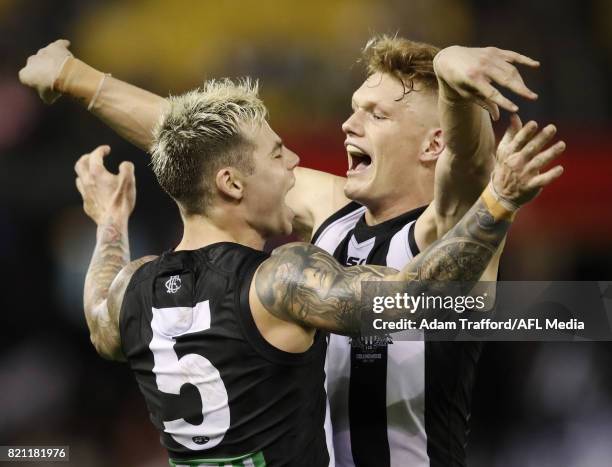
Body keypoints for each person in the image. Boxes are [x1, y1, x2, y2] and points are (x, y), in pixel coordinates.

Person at [21, 36, 564, 466]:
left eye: (376, 114)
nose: (349, 123)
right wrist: (77, 78)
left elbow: (470, 167)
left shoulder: (449, 226)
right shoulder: (332, 212)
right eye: (354, 108)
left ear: (432, 145)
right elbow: (201, 144)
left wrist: (453, 80)